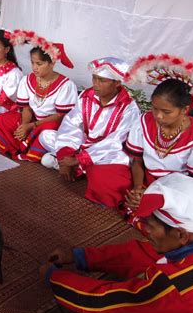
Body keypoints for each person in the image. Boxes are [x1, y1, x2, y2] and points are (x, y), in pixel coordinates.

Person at [39, 173, 193, 313]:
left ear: (181, 235)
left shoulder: (175, 284)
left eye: (152, 225)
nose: (146, 230)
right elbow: (139, 253)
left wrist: (53, 277)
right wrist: (80, 256)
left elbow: (104, 300)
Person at [52, 57, 140, 209]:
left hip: (110, 153)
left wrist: (79, 159)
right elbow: (71, 124)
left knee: (109, 182)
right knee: (47, 135)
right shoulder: (86, 96)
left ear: (117, 83)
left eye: (102, 81)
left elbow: (116, 141)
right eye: (94, 78)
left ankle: (75, 167)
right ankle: (71, 164)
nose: (95, 84)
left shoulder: (129, 108)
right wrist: (67, 153)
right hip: (84, 145)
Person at [123, 55, 193, 212]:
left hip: (177, 187)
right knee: (110, 182)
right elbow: (137, 160)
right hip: (146, 178)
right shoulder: (144, 122)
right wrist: (137, 187)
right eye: (154, 108)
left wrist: (161, 194)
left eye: (166, 111)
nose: (158, 116)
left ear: (185, 109)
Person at [0, 30, 77, 162]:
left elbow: (60, 116)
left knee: (48, 130)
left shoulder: (66, 85)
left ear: (52, 63)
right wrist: (24, 125)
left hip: (52, 123)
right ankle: (21, 145)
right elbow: (26, 108)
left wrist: (31, 126)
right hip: (32, 120)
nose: (34, 67)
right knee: (1, 120)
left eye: (39, 64)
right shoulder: (27, 80)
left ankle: (35, 150)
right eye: (32, 63)